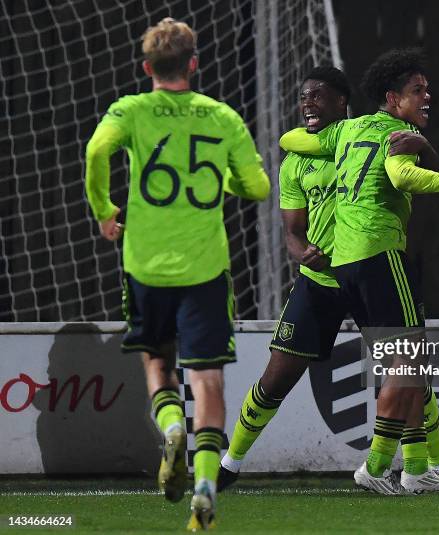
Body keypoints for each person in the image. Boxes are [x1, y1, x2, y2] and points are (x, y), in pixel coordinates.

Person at [218, 66, 439, 493]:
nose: (308, 103)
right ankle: (230, 463)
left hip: (365, 268)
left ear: (342, 103)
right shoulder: (296, 162)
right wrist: (298, 250)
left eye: (318, 96)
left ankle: (433, 467)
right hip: (319, 282)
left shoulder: (363, 136)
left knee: (406, 367)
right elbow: (293, 230)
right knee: (276, 378)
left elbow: (409, 174)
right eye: (304, 97)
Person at [84, 18, 270, 530]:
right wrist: (225, 175)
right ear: (193, 64)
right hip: (205, 268)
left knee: (157, 365)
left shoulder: (131, 110)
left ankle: (171, 428)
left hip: (146, 265)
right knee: (207, 380)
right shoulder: (222, 116)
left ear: (147, 67)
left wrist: (104, 209)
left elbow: (97, 150)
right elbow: (256, 187)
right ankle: (206, 489)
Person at [279, 48, 439, 495]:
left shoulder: (349, 129)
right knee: (408, 361)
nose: (427, 96)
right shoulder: (397, 134)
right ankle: (375, 468)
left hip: (348, 262)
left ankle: (417, 470)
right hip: (380, 254)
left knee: (406, 362)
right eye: (418, 91)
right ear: (392, 98)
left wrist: (425, 145)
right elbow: (404, 178)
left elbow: (291, 141)